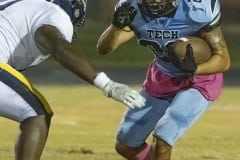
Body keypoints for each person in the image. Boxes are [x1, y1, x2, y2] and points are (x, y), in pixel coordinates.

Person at [0, 0, 146, 160]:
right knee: (36, 115)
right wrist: (106, 84)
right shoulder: (54, 13)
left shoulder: (22, 7)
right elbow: (59, 48)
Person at [97, 0, 230, 160]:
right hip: (162, 77)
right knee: (125, 144)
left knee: (163, 137)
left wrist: (195, 69)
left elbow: (223, 59)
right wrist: (115, 27)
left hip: (199, 80)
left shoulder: (196, 9)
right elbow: (104, 49)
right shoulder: (133, 8)